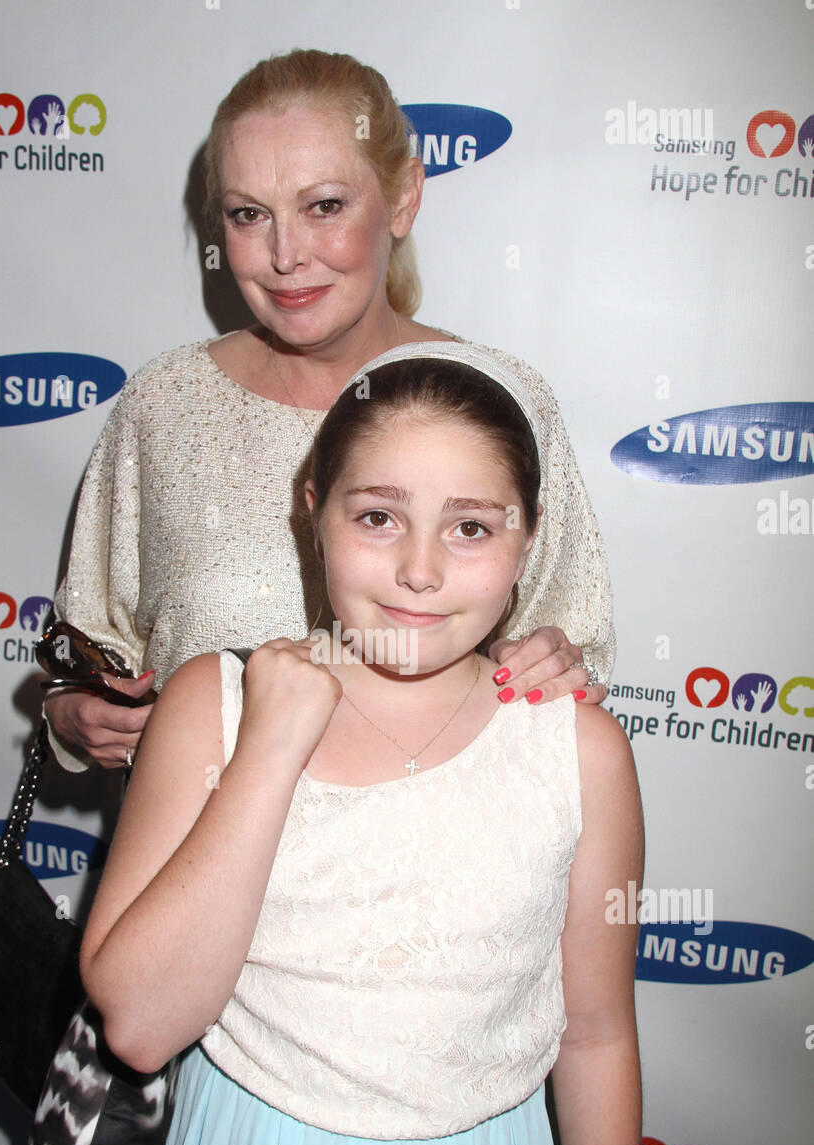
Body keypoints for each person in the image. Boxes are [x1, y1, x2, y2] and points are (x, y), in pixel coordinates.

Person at [80, 341, 644, 1145]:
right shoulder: (211, 706)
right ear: (314, 510)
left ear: (529, 536)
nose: (420, 572)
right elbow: (138, 1024)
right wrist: (269, 748)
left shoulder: (577, 748)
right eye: (378, 517)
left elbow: (595, 1038)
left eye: (470, 528)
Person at [45, 49, 615, 773]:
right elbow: (91, 644)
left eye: (324, 207)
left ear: (403, 198)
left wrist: (555, 668)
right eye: (249, 215)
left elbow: (573, 656)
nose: (285, 255)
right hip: (186, 861)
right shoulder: (163, 404)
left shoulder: (500, 399)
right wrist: (72, 713)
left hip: (419, 871)